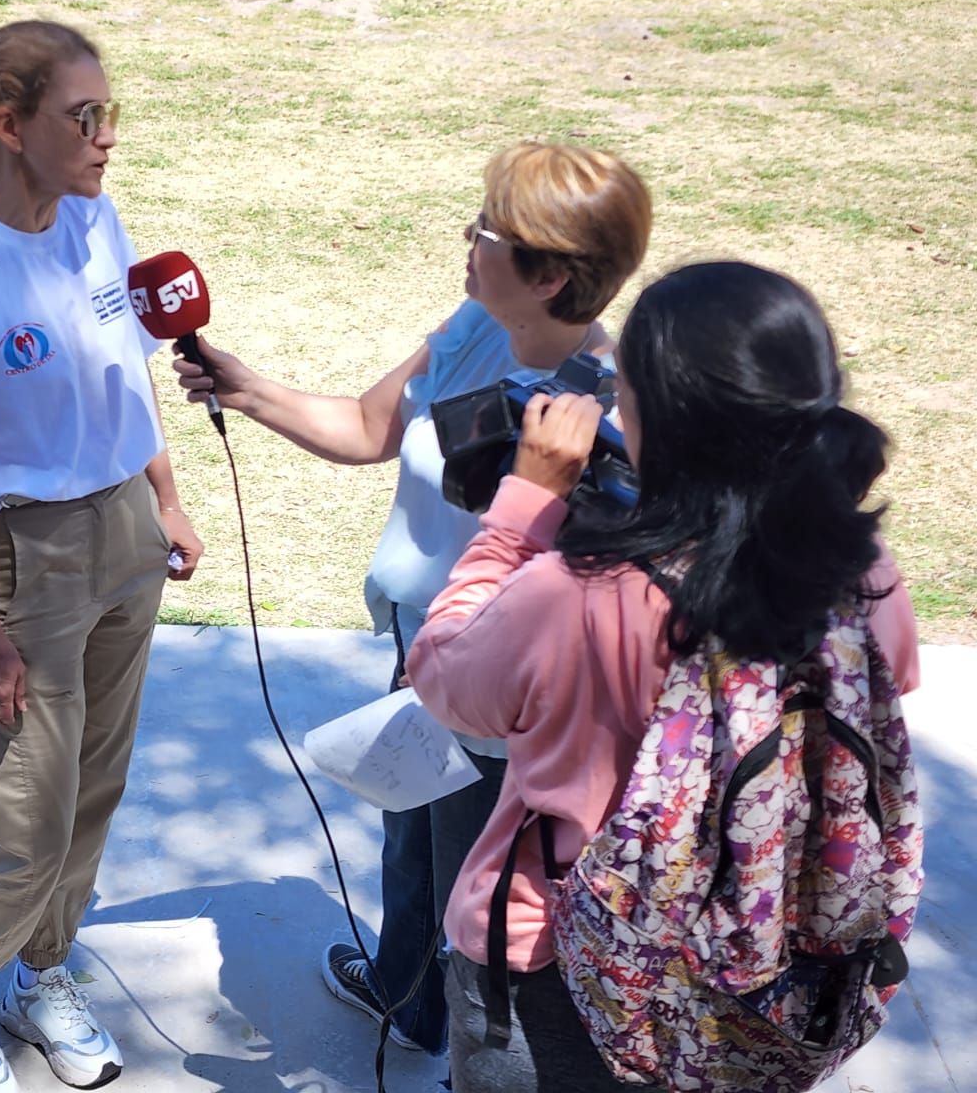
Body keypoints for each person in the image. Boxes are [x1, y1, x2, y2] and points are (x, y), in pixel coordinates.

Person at [174, 142, 651, 1055]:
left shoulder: (609, 413)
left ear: (549, 275)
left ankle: (475, 1046)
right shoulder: (477, 322)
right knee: (412, 842)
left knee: (484, 901)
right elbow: (366, 427)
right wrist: (247, 388)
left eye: (487, 230)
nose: (467, 240)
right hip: (423, 655)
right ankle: (404, 993)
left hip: (504, 697)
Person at [404, 262, 921, 1091]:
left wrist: (522, 510)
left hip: (560, 965)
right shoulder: (864, 571)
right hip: (764, 967)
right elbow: (890, 682)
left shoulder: (580, 593)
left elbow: (444, 678)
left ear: (651, 417)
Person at [0, 20, 205, 1093]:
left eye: (109, 114)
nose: (106, 137)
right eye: (84, 117)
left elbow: (129, 369)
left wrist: (164, 497)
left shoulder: (94, 219)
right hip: (14, 562)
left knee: (92, 788)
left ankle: (44, 971)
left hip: (121, 528)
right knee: (23, 813)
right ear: (10, 127)